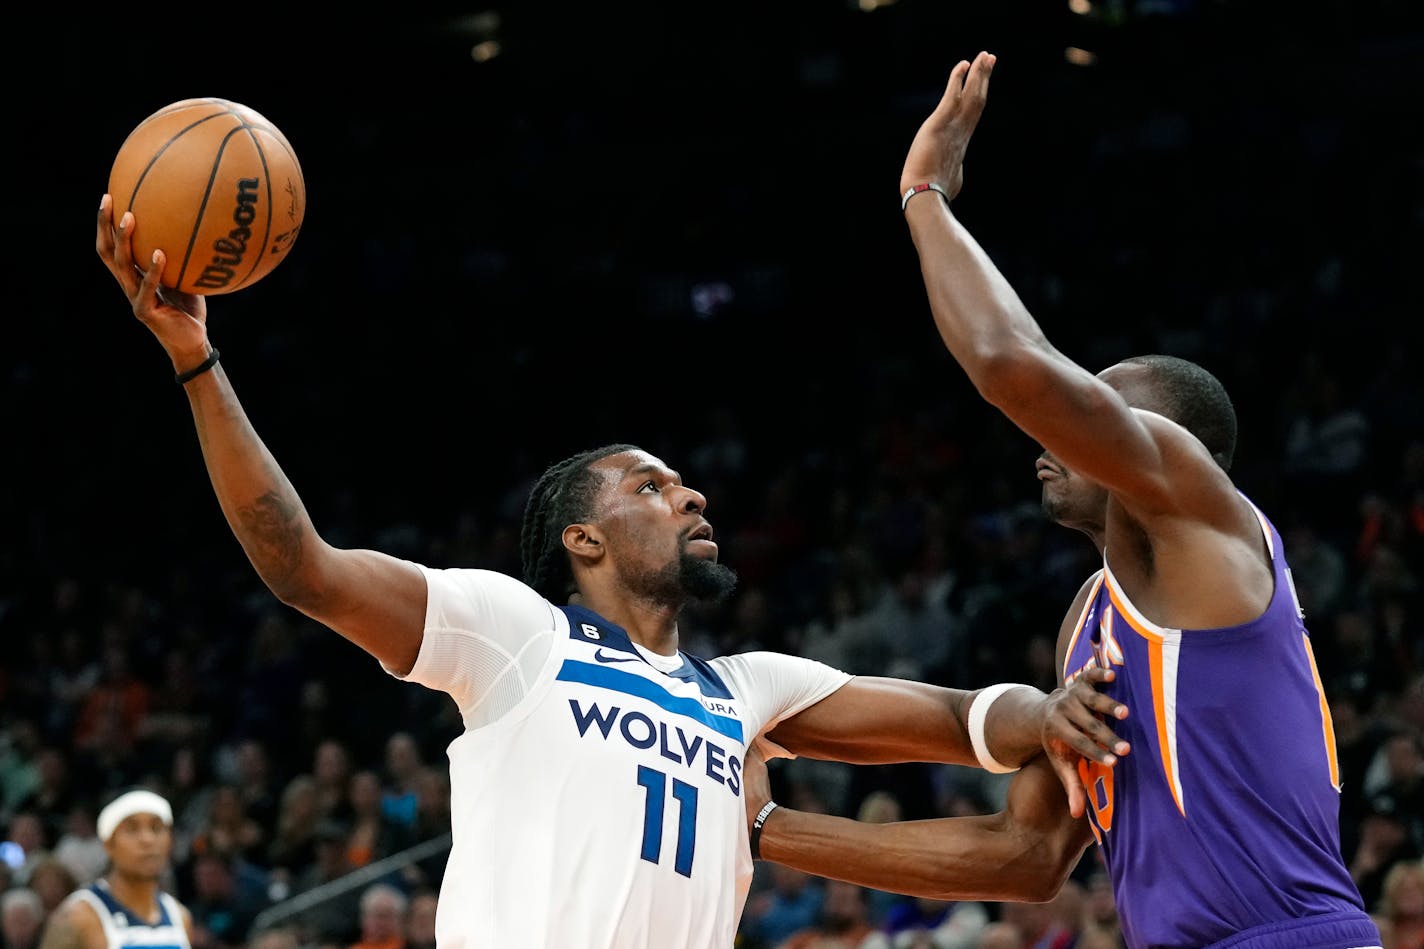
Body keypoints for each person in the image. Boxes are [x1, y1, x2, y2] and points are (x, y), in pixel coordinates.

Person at [93, 196, 1125, 949]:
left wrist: (1053, 714)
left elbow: (960, 721)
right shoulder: (514, 633)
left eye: (684, 484)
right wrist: (196, 358)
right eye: (649, 487)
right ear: (581, 541)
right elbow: (303, 567)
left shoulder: (744, 690)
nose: (690, 497)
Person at [744, 50, 1383, 949]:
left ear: (1174, 447)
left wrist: (922, 194)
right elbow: (1029, 852)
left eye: (1098, 409)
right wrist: (771, 833)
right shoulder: (1090, 617)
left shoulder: (1207, 517)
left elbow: (1013, 366)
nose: (1057, 436)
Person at [38, 789, 195, 949]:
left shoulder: (180, 917)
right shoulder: (77, 917)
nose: (147, 840)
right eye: (132, 829)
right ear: (108, 844)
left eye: (156, 828)